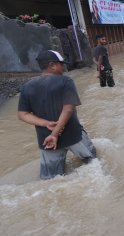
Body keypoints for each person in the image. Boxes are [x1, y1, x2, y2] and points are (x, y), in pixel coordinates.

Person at [17, 50, 97, 180]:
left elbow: (22, 114)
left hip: (47, 141)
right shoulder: (65, 81)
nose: (63, 67)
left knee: (51, 180)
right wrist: (55, 134)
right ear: (52, 65)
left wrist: (46, 124)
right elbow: (68, 109)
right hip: (73, 135)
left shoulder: (27, 86)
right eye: (61, 64)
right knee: (93, 163)